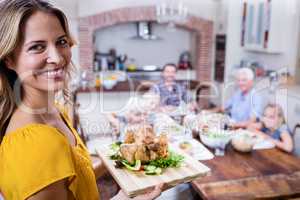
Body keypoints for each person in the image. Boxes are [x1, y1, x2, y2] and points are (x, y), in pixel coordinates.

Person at [0, 1, 163, 200]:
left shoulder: (54, 111)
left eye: (61, 42)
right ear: (8, 59)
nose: (58, 58)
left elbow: (74, 182)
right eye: (37, 47)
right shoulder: (34, 142)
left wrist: (121, 154)